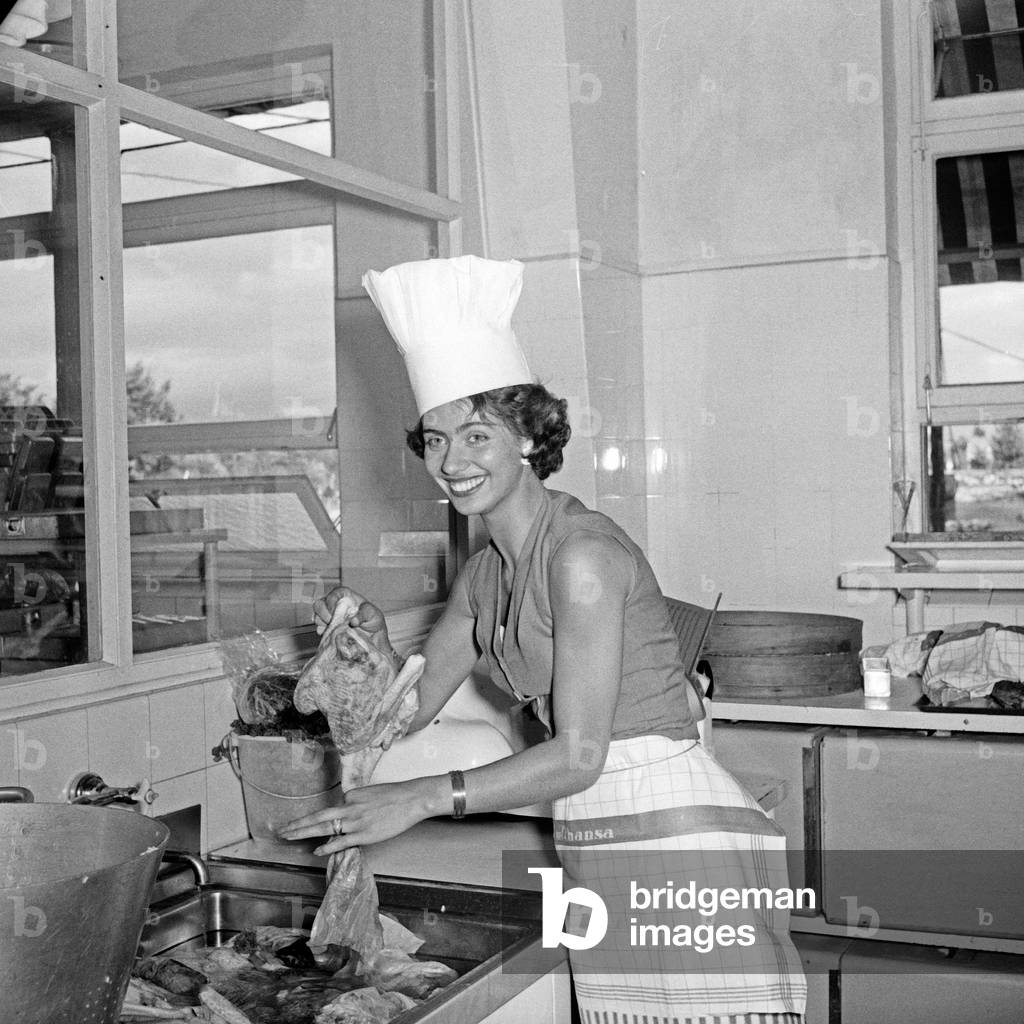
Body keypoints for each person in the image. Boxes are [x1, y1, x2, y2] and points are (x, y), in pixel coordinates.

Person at [280, 255, 806, 1023]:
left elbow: (581, 754)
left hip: (671, 833)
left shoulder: (582, 556)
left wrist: (424, 798)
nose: (452, 463)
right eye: (434, 440)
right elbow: (406, 712)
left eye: (478, 435)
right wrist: (360, 650)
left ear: (527, 436)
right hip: (595, 837)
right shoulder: (486, 575)